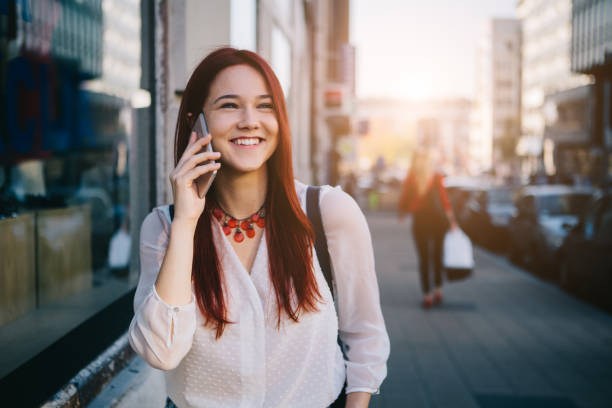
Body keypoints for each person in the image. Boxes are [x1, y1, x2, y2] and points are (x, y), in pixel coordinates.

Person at [128, 48, 389, 408]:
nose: (250, 120)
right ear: (196, 123)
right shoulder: (163, 228)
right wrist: (187, 220)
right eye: (229, 105)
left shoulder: (328, 212)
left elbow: (365, 338)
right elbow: (161, 351)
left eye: (265, 106)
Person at [398, 151, 457, 309]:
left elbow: (404, 198)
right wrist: (452, 221)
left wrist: (402, 213)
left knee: (424, 259)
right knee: (437, 255)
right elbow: (445, 201)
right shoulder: (436, 177)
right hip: (438, 221)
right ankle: (438, 290)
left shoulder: (412, 178)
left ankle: (427, 295)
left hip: (420, 221)